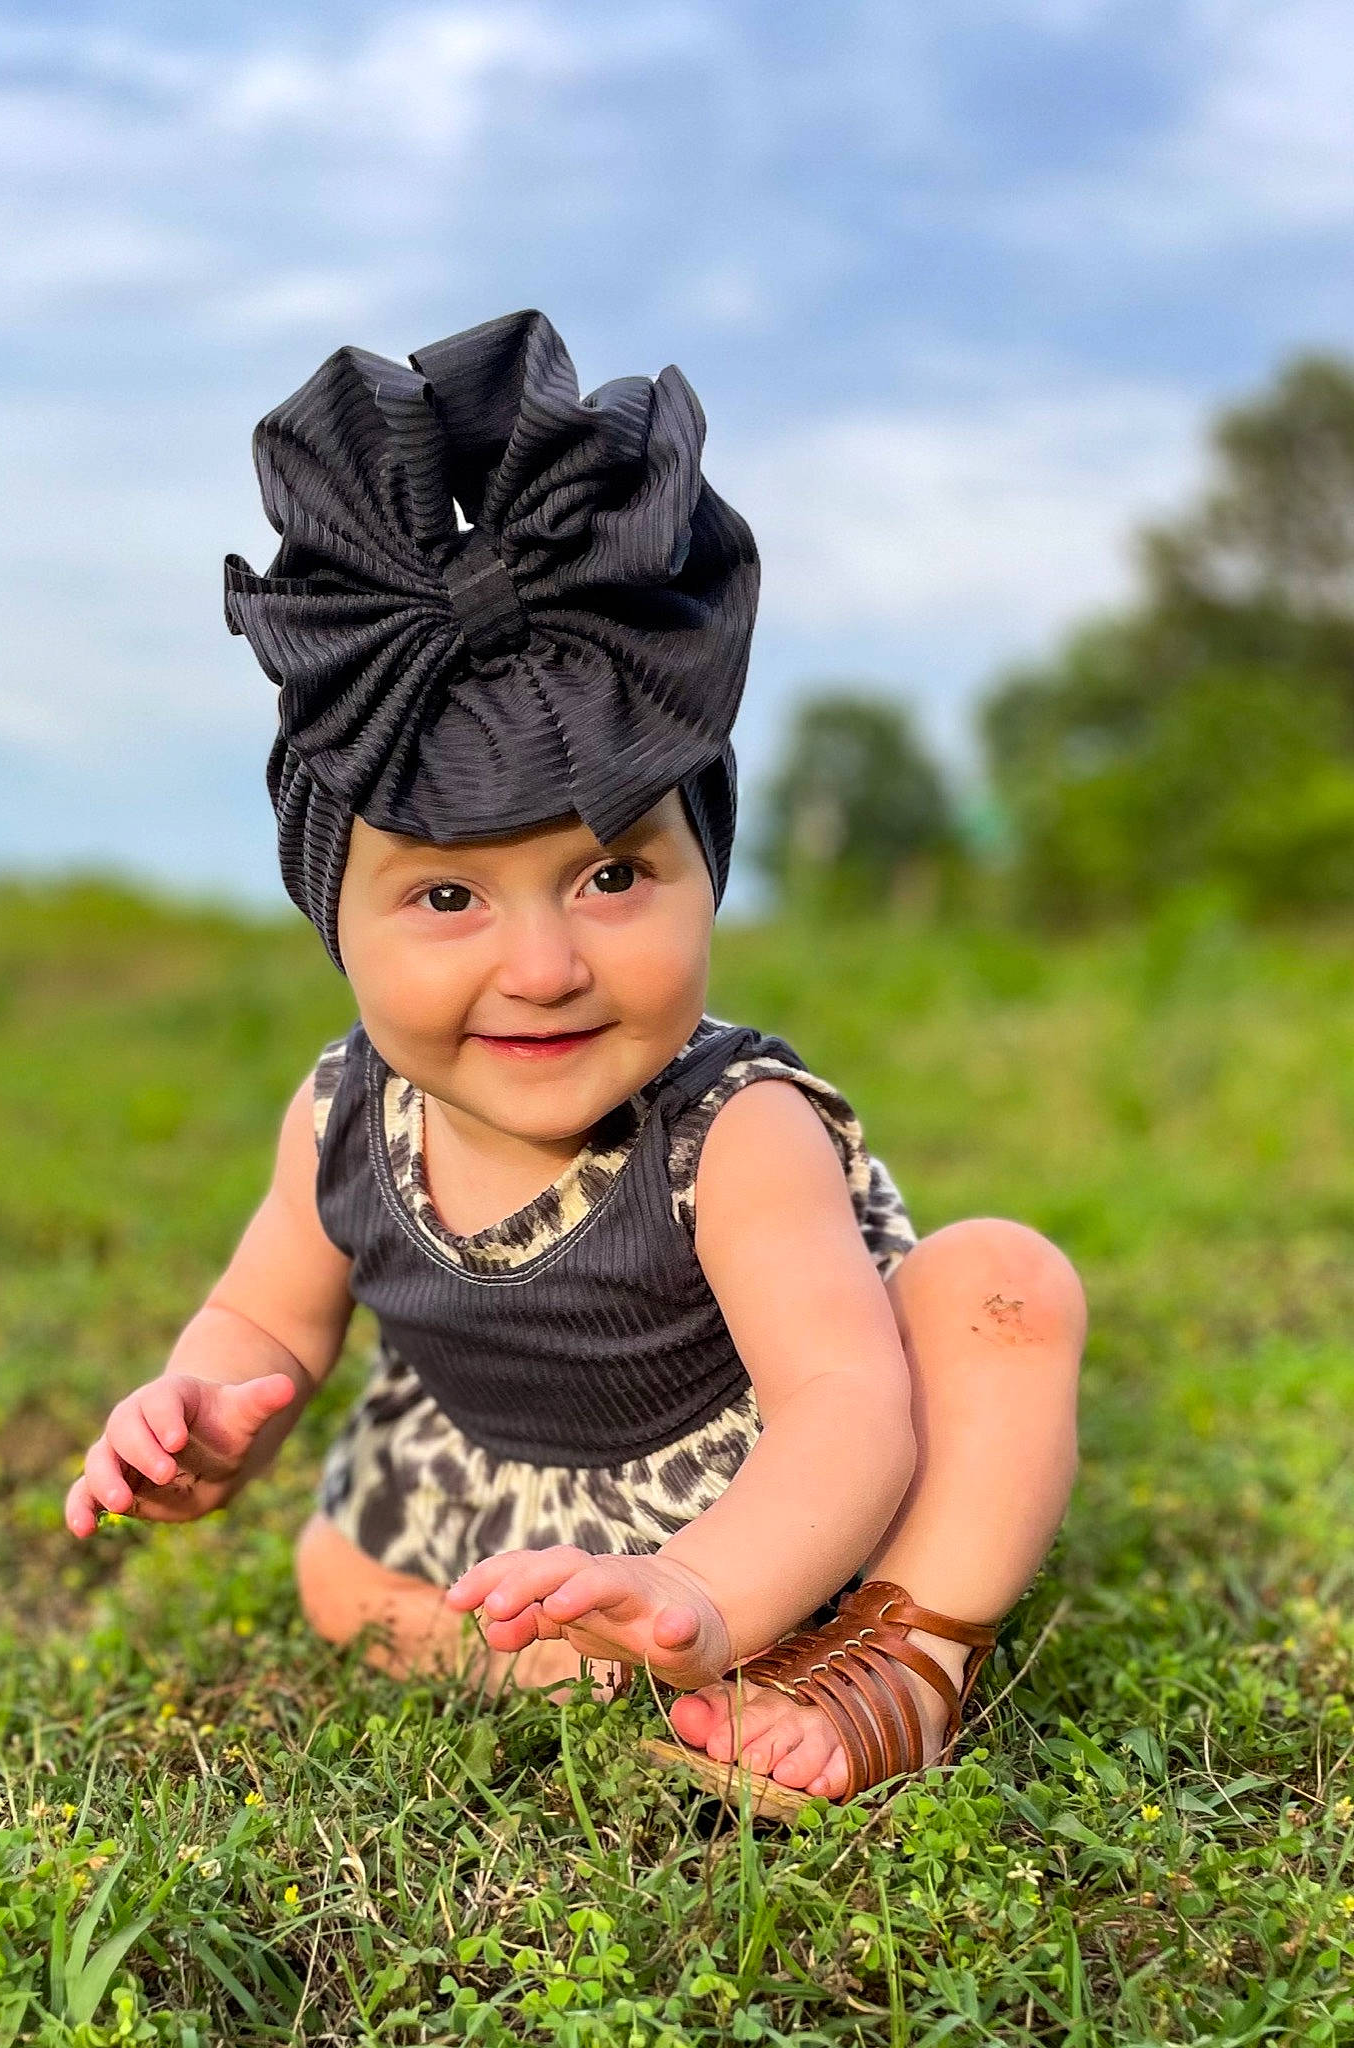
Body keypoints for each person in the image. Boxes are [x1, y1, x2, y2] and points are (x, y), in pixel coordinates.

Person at [64, 311, 1085, 1815]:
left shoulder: (733, 1134)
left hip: (785, 1495)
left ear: (705, 873)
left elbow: (845, 1411)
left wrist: (714, 1590)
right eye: (449, 897)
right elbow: (262, 1322)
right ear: (332, 921)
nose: (543, 967)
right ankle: (576, 1650)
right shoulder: (343, 1113)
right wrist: (203, 1410)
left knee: (1001, 1292)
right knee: (332, 1570)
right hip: (506, 1487)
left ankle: (895, 1660)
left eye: (615, 878)